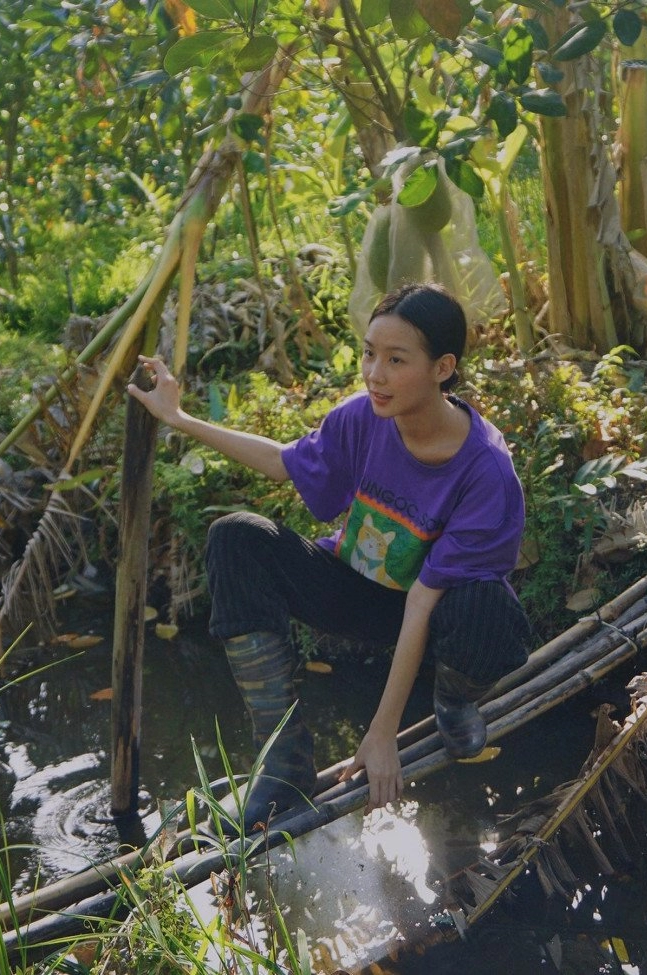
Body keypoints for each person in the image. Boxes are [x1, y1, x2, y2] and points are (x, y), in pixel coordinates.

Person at [127, 282, 531, 830]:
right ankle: (284, 756)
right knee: (236, 536)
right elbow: (282, 463)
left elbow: (421, 601)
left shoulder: (485, 471)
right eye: (369, 354)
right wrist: (180, 419)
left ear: (442, 368)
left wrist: (382, 732)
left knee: (489, 606)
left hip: (435, 617)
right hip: (353, 587)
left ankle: (454, 702)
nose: (374, 374)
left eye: (395, 360)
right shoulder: (361, 418)